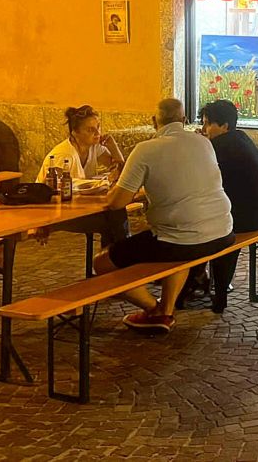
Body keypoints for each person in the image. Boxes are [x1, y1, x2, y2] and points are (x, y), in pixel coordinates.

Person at [94, 98, 234, 333]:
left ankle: (155, 309)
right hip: (223, 232)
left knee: (102, 263)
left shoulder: (145, 149)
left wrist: (110, 192)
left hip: (181, 239)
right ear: (184, 120)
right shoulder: (204, 143)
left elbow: (117, 202)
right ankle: (166, 310)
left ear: (153, 121)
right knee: (179, 247)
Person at [184, 99, 258, 313]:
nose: (204, 128)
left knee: (198, 230)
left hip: (246, 218)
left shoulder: (220, 147)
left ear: (224, 126)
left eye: (208, 123)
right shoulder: (241, 138)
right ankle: (200, 278)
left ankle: (201, 284)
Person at [35, 105, 129, 247]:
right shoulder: (63, 155)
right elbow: (52, 190)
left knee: (116, 212)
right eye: (90, 130)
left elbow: (121, 169)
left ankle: (117, 256)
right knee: (112, 220)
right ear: (75, 132)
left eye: (98, 127)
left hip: (80, 206)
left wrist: (113, 147)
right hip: (57, 212)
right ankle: (118, 256)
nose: (97, 133)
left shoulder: (94, 147)